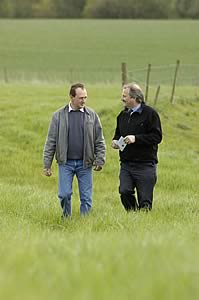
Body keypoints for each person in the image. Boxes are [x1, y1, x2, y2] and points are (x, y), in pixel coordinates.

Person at [43, 83, 106, 217]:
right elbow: (51, 142)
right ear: (71, 97)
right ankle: (66, 218)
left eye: (85, 97)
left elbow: (99, 140)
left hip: (85, 163)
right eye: (80, 98)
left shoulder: (92, 115)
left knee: (86, 197)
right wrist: (47, 165)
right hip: (65, 163)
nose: (83, 100)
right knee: (64, 194)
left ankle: (85, 223)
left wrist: (100, 159)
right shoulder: (58, 116)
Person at [112, 83, 162, 211]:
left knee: (145, 202)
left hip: (145, 165)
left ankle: (143, 222)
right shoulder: (122, 116)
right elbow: (118, 134)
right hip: (126, 164)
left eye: (125, 96)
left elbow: (157, 137)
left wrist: (136, 138)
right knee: (124, 191)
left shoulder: (150, 114)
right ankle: (133, 215)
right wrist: (115, 141)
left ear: (135, 98)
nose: (122, 99)